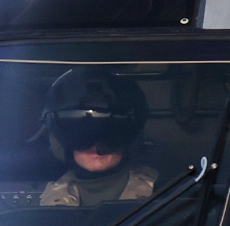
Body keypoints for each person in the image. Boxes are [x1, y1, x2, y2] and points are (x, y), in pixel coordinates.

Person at [34, 68, 161, 209]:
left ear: (132, 138)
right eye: (80, 132)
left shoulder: (166, 195)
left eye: (111, 131)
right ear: (59, 140)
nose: (95, 143)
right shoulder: (45, 204)